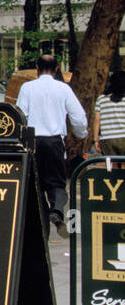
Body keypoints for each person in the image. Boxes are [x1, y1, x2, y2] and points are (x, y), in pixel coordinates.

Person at [17, 54, 88, 238]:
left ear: (37, 68)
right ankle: (56, 209)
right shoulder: (63, 89)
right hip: (54, 141)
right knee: (57, 183)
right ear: (56, 69)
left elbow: (20, 116)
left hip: (33, 142)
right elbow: (78, 117)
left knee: (37, 185)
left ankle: (43, 230)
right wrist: (82, 134)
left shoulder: (27, 88)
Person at [91, 70, 125, 156]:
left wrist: (95, 140)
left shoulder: (101, 99)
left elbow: (97, 120)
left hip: (107, 139)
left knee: (112, 165)